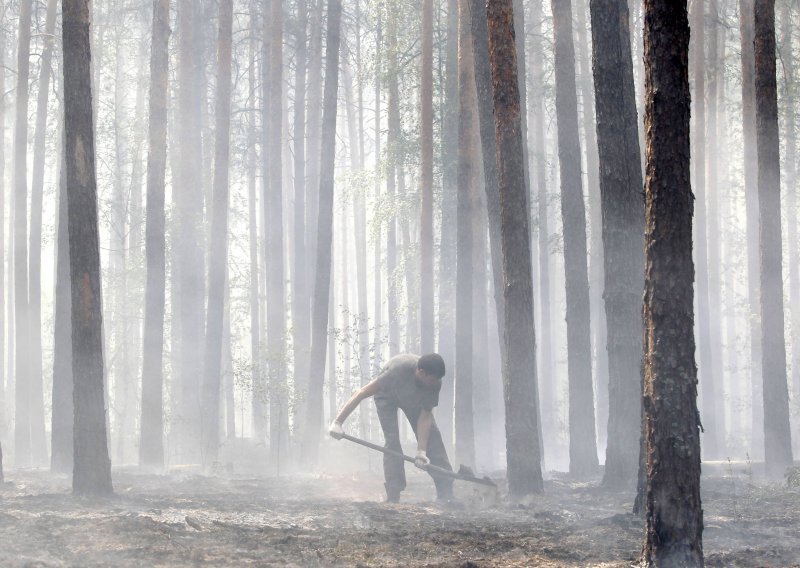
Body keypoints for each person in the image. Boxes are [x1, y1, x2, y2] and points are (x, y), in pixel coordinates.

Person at [328, 353, 454, 503]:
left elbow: (425, 417)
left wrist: (421, 451)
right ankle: (393, 495)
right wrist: (338, 422)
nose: (434, 383)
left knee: (432, 439)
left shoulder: (435, 383)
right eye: (432, 380)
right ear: (421, 372)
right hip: (386, 396)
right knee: (392, 442)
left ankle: (446, 494)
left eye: (437, 380)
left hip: (414, 400)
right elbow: (361, 393)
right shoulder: (397, 370)